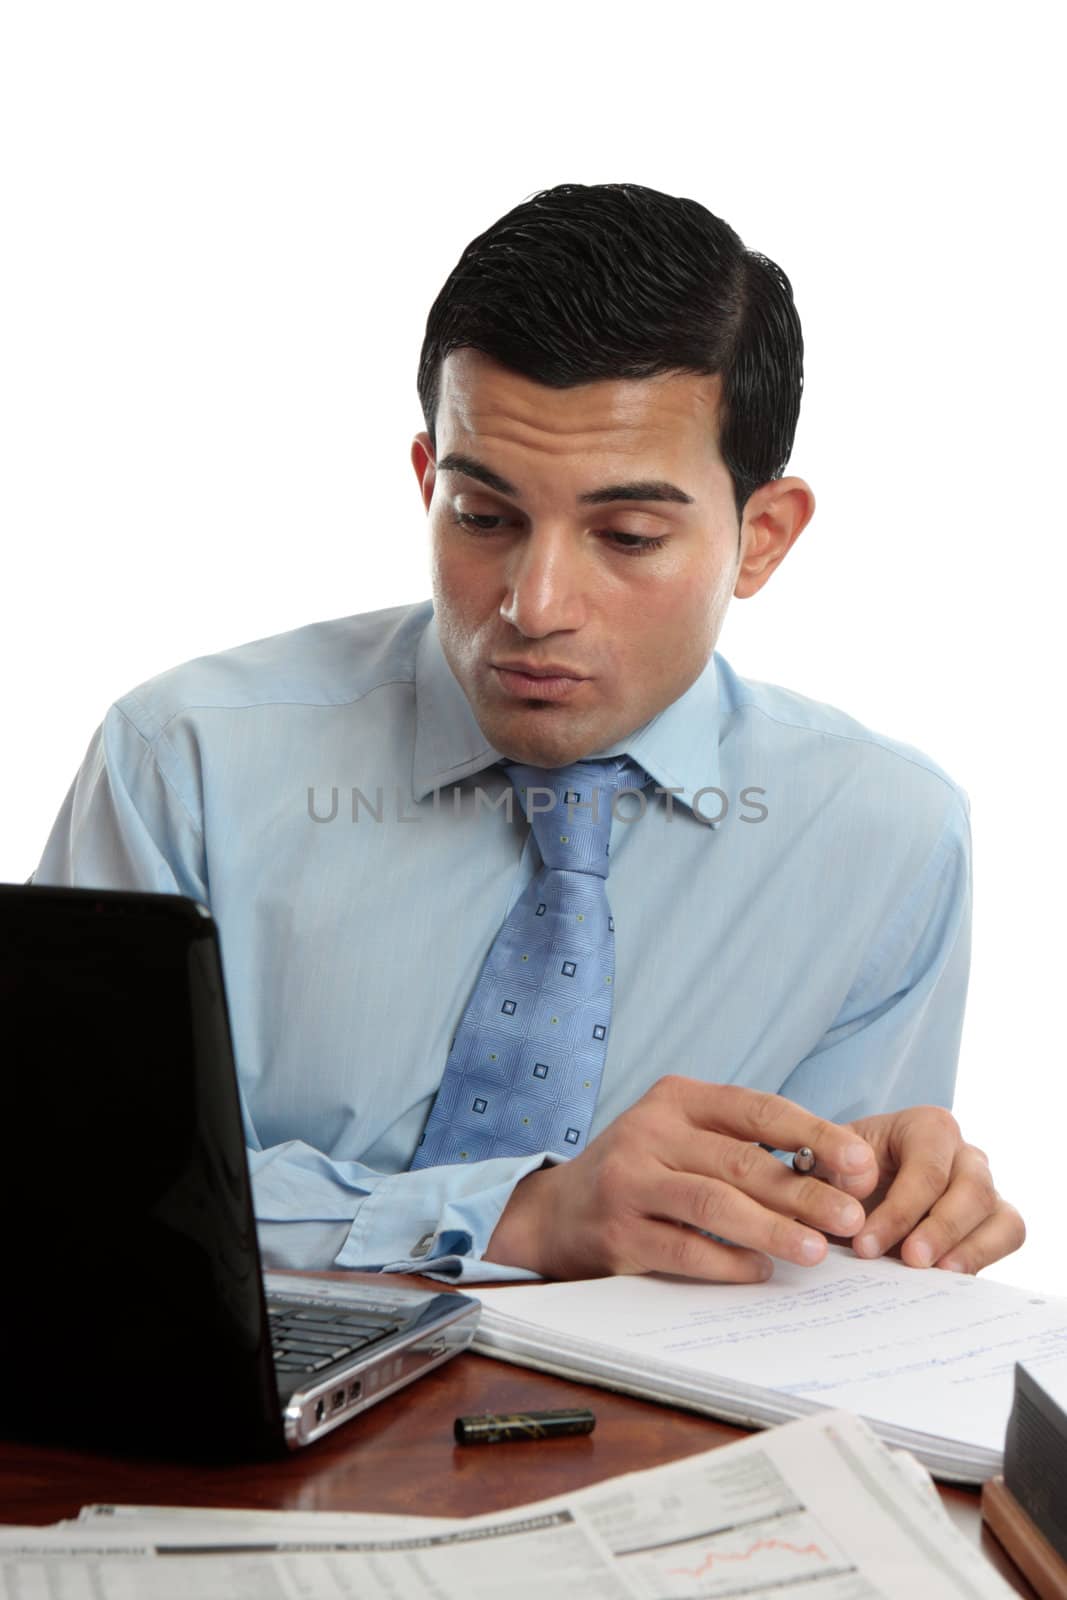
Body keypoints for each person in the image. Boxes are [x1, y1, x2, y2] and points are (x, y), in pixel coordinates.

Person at [32, 182, 1023, 1285]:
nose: (532, 603)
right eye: (484, 517)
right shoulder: (183, 761)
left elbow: (815, 1270)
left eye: (628, 534)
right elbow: (61, 1183)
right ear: (427, 482)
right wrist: (515, 1220)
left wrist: (889, 1211)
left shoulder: (883, 837)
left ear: (763, 538)